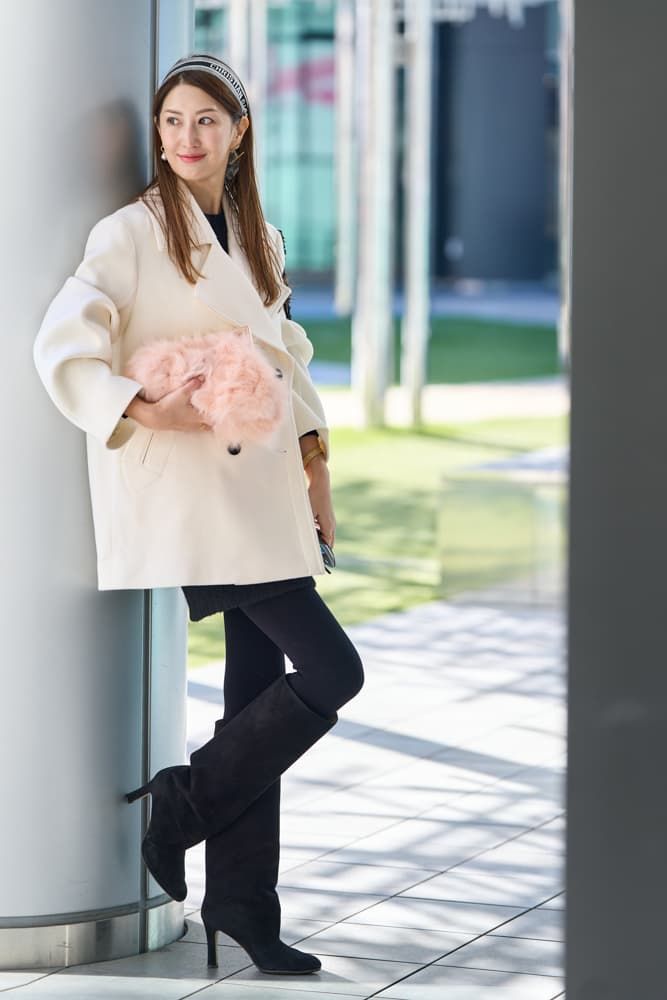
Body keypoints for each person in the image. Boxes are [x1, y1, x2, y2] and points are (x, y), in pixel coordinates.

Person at [33, 53, 364, 976]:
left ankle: (244, 905)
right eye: (172, 120)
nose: (187, 137)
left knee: (256, 696)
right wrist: (143, 409)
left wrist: (317, 471)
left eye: (206, 121)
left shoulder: (260, 235)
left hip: (267, 487)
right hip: (199, 493)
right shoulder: (132, 232)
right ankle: (182, 804)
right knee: (334, 670)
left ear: (239, 131)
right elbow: (64, 341)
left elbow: (287, 355)